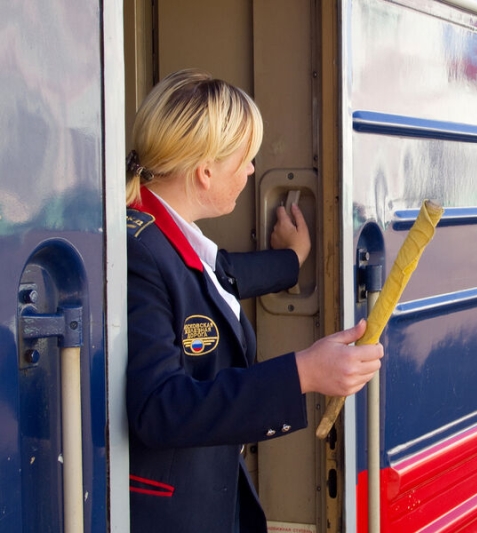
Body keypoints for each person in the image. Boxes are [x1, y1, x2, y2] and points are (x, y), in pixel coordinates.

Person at [125, 69, 383, 533]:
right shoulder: (141, 255)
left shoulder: (156, 233)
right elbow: (159, 407)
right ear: (205, 172)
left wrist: (291, 259)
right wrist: (304, 372)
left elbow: (219, 274)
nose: (249, 171)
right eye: (244, 160)